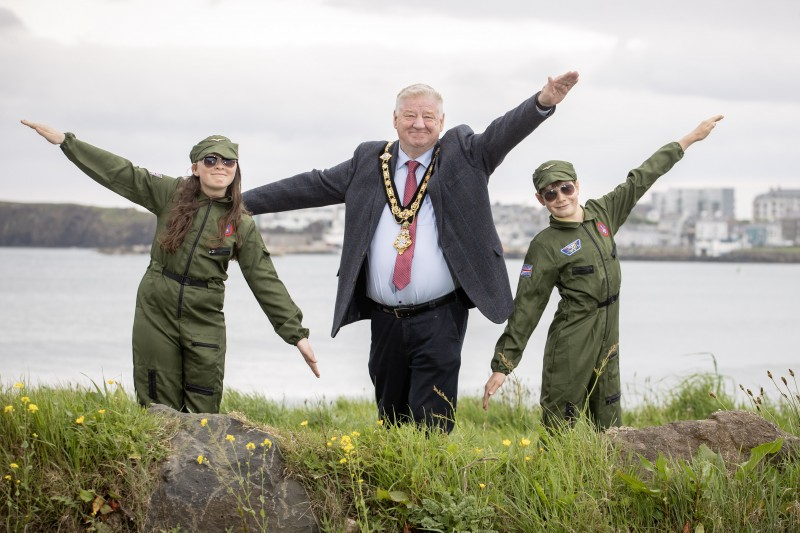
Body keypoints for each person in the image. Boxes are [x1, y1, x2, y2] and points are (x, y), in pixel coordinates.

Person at [242, 71, 580, 432]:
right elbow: (310, 185)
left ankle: (431, 485)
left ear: (441, 122)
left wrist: (542, 102)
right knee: (390, 417)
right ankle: (395, 484)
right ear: (395, 119)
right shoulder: (369, 161)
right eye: (410, 116)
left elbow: (503, 131)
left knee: (432, 421)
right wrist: (240, 203)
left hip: (440, 315)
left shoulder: (464, 154)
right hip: (385, 319)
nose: (419, 124)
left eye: (428, 117)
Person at [21, 120, 320, 414]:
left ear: (236, 169)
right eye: (211, 159)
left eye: (228, 161)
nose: (220, 166)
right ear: (195, 167)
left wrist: (297, 335)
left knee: (204, 409)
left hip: (204, 318)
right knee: (157, 406)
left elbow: (264, 279)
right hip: (156, 310)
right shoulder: (170, 193)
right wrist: (67, 142)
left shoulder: (241, 223)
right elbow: (122, 173)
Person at [482, 114, 724, 429]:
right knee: (561, 420)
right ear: (540, 200)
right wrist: (503, 364)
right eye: (551, 193)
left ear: (576, 186)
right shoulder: (545, 245)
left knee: (610, 421)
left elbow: (642, 177)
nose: (561, 198)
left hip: (609, 331)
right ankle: (554, 472)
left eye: (565, 188)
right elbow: (528, 306)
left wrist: (689, 139)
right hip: (573, 339)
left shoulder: (603, 213)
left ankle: (609, 475)